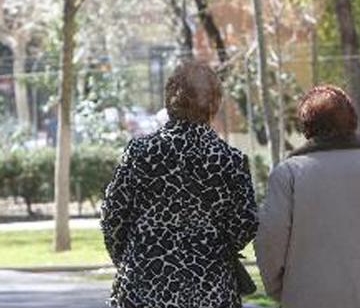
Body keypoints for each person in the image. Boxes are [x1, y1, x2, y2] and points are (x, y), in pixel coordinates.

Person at [100, 60, 258, 308]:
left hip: (143, 288)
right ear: (214, 104)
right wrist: (213, 247)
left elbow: (113, 215)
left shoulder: (140, 153)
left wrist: (132, 254)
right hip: (210, 290)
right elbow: (245, 223)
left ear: (171, 100)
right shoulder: (230, 161)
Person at [255, 85, 360, 308]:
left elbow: (270, 239)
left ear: (306, 127)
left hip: (308, 295)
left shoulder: (289, 175)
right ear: (353, 121)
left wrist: (280, 288)